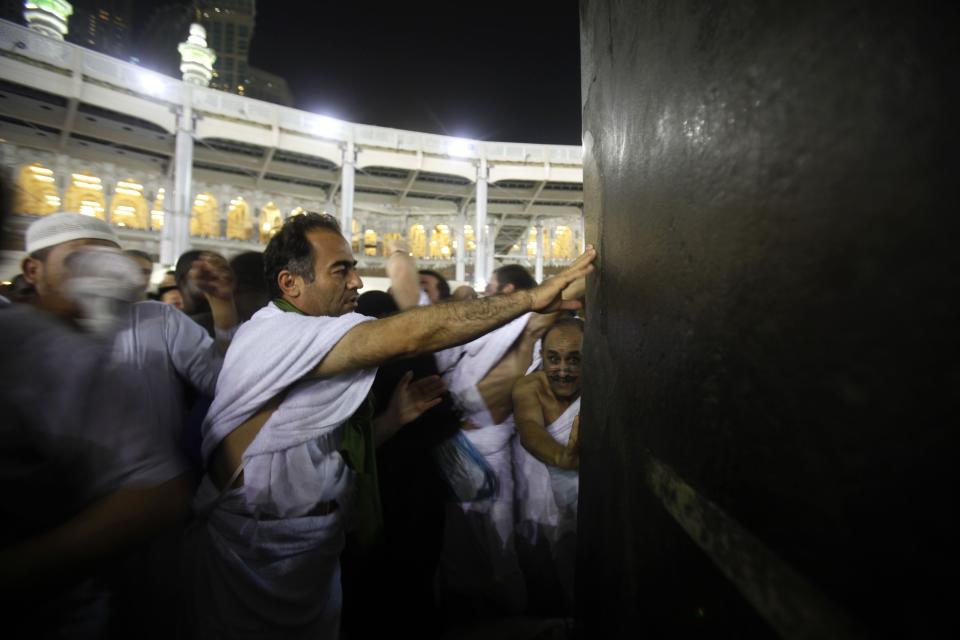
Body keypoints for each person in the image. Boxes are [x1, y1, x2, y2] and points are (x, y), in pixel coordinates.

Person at [184, 212, 594, 638]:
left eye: (354, 268)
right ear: (291, 284)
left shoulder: (308, 338)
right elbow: (412, 334)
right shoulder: (278, 333)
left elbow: (323, 453)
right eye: (341, 270)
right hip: (254, 560)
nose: (357, 281)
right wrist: (530, 298)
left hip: (309, 557)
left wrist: (392, 420)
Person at [0, 197, 189, 635]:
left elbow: (157, 491)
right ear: (33, 271)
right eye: (81, 259)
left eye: (108, 260)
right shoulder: (21, 339)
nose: (100, 273)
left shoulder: (152, 321)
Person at [512, 316, 584, 607]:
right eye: (554, 359)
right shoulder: (529, 387)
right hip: (542, 498)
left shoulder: (605, 384)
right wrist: (562, 457)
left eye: (574, 360)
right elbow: (530, 430)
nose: (563, 371)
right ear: (541, 356)